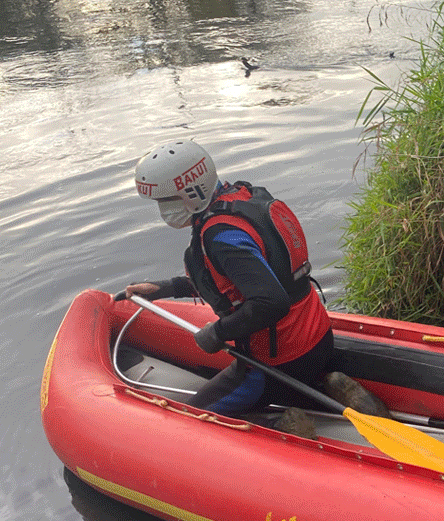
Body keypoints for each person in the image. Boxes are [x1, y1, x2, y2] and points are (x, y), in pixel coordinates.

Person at [120, 138, 370, 436]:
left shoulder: (221, 237)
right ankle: (326, 384)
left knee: (194, 420)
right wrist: (165, 288)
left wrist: (218, 333)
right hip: (318, 339)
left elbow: (270, 302)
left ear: (191, 192)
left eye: (166, 202)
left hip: (276, 362)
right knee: (289, 373)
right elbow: (238, 280)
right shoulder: (245, 199)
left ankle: (280, 425)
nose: (163, 210)